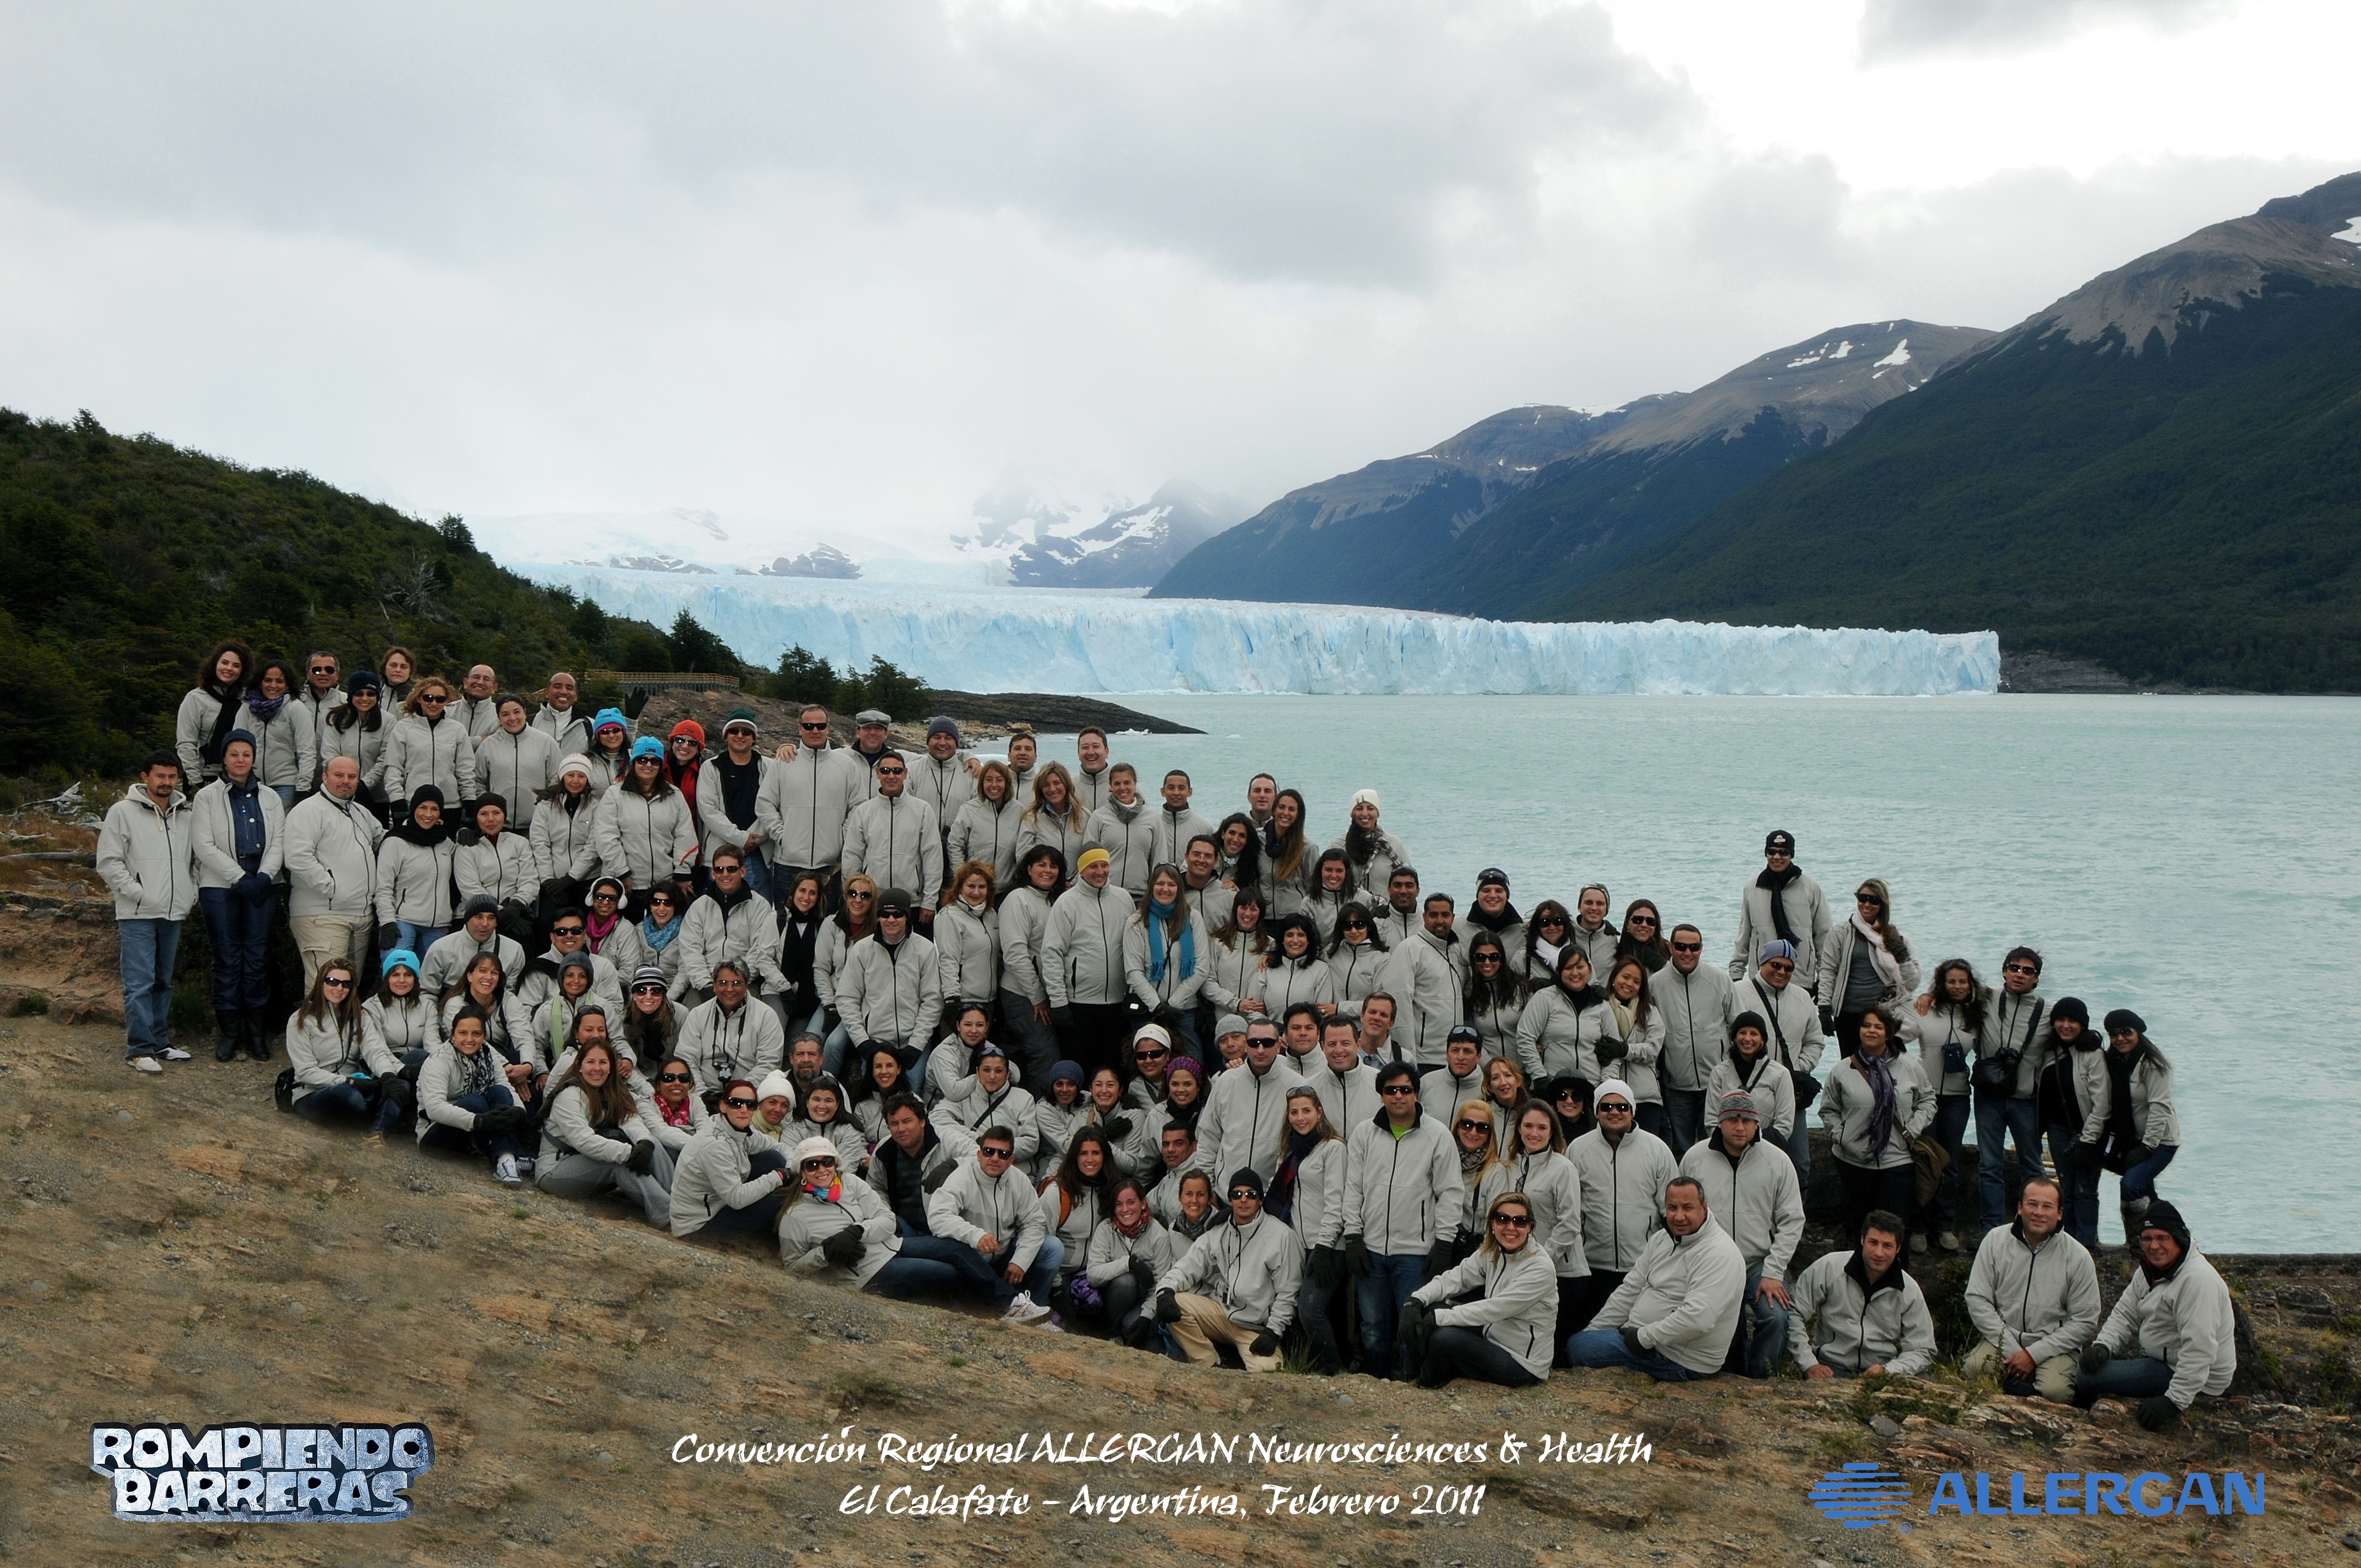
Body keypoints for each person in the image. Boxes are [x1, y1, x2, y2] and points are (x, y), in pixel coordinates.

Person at [1340, 1059, 1461, 1378]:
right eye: (1391, 1090)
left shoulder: (1438, 1136)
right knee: (1373, 1326)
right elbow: (1353, 1188)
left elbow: (1450, 1192)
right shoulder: (1364, 1134)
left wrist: (1445, 1243)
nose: (1398, 1096)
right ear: (1381, 1095)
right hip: (1371, 1249)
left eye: (1405, 1090)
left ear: (1417, 1093)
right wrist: (1353, 1237)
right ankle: (1376, 1380)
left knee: (1412, 1325)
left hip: (1416, 1253)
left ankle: (1412, 1383)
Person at [2072, 1200, 2236, 1431]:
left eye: (2162, 1238)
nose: (2154, 1246)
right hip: (2165, 1361)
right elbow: (2126, 1313)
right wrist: (2103, 1346)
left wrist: (2173, 1401)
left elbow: (2200, 1349)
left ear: (2179, 1238)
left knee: (2086, 1378)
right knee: (2090, 1365)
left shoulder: (2197, 1280)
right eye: (2147, 1239)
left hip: (2197, 1376)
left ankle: (2083, 1420)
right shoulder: (2152, 1268)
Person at [1564, 1175, 1745, 1382]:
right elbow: (1630, 1289)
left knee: (1577, 1348)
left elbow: (1699, 1319)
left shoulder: (1718, 1253)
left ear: (1704, 1208)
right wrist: (1595, 1332)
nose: (1679, 1216)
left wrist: (1643, 1338)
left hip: (1681, 1357)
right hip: (1649, 1341)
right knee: (1582, 1342)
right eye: (1672, 1208)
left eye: (1687, 1208)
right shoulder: (1662, 1239)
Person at [1678, 1091, 1805, 1378]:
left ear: (1757, 1123)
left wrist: (1774, 1271)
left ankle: (1762, 1379)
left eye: (1747, 1120)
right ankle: (1731, 1377)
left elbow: (1792, 1219)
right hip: (1713, 1263)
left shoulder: (1778, 1161)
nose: (1740, 1127)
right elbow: (1681, 1213)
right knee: (1726, 1324)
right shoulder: (1695, 1159)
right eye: (1733, 1119)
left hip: (1760, 1263)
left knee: (1775, 1316)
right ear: (1720, 1122)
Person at [780, 1139, 991, 1303]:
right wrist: (826, 1254)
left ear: (835, 1164)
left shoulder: (851, 1183)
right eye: (812, 1165)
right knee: (948, 1274)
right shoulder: (795, 1217)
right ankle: (977, 1310)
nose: (822, 1169)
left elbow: (888, 1220)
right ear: (802, 1173)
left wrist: (857, 1232)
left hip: (891, 1245)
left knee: (954, 1248)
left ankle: (1006, 1300)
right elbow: (792, 1268)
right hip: (867, 1275)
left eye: (827, 1162)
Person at [189, 731, 286, 1062]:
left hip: (262, 884)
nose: (241, 760)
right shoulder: (207, 797)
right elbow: (203, 845)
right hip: (220, 886)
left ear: (254, 758)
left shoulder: (271, 797)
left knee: (256, 958)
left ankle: (256, 1035)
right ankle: (230, 1034)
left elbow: (279, 841)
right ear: (224, 758)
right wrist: (238, 877)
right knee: (227, 959)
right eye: (234, 754)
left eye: (246, 754)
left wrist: (263, 876)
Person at [1962, 1176, 2101, 1403]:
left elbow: (2085, 1321)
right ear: (2020, 1208)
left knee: (2054, 1394)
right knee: (1973, 1371)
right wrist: (2012, 1349)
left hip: (2055, 1346)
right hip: (2003, 1338)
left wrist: (2033, 1356)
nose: (2039, 1212)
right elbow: (1978, 1299)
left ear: (2059, 1213)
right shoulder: (1995, 1241)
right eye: (2032, 1204)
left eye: (2048, 1206)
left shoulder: (2078, 1257)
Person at [1397, 1192, 1558, 1389]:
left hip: (1522, 1363)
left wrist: (1439, 1319)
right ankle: (1410, 1378)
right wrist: (1415, 1301)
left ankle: (1424, 1386)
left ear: (1531, 1227)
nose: (1511, 1227)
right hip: (1493, 1337)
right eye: (1503, 1219)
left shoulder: (1540, 1268)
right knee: (1425, 1311)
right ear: (1492, 1223)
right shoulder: (1493, 1252)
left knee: (1444, 1338)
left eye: (1520, 1221)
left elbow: (1495, 1309)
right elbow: (1457, 1278)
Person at [1149, 1167, 1302, 1372]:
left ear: (1261, 1200)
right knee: (1175, 1302)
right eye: (1237, 1195)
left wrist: (1273, 1332)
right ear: (1230, 1199)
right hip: (1221, 1314)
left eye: (1251, 1194)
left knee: (1270, 1375)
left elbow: (1288, 1292)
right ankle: (1209, 1364)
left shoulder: (1282, 1236)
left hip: (1256, 1327)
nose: (1244, 1200)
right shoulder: (1220, 1231)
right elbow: (1189, 1266)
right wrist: (1165, 1291)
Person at [1477, 1101, 1588, 1365]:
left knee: (1559, 1353)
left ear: (1552, 1132)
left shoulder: (1563, 1169)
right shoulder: (1511, 1167)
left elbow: (1570, 1222)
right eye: (1528, 1126)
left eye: (1542, 1127)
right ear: (1519, 1129)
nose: (1534, 1133)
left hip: (1563, 1273)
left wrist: (1542, 1260)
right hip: (1521, 1273)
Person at [1564, 1079, 1680, 1332]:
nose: (1614, 1112)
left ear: (1633, 1110)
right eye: (1606, 1107)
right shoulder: (1578, 1150)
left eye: (1622, 1106)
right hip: (1592, 1267)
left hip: (1641, 1267)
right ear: (1596, 1111)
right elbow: (1568, 1207)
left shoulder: (1657, 1150)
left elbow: (1671, 1210)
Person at [1819, 1004, 1932, 1241]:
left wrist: (1912, 1130)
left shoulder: (1910, 1067)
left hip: (1897, 1160)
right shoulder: (1842, 1069)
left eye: (1879, 1027)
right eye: (1867, 1025)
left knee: (1897, 1226)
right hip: (1853, 1160)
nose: (1872, 1031)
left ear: (1889, 1033)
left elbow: (1927, 1101)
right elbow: (1829, 1110)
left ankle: (1896, 1276)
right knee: (1861, 1224)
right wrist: (1842, 1137)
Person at [927, 1126, 1062, 1324]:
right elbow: (938, 1216)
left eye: (1003, 1154)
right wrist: (975, 1236)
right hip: (970, 1259)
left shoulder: (1020, 1182)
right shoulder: (962, 1176)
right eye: (989, 1152)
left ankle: (1031, 1314)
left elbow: (1034, 1223)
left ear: (1011, 1160)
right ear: (979, 1154)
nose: (995, 1158)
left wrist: (1020, 1262)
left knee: (1053, 1248)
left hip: (1004, 1256)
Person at [536, 1037, 675, 1226]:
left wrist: (645, 1143)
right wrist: (628, 1154)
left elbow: (630, 1119)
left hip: (587, 1164)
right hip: (556, 1169)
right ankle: (667, 1215)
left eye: (603, 1062)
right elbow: (584, 1141)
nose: (597, 1069)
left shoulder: (611, 1091)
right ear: (579, 1065)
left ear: (611, 1067)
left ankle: (679, 1200)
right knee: (618, 1164)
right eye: (591, 1062)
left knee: (653, 1144)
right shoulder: (569, 1095)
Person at [1785, 1210, 1939, 1381]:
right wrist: (1808, 1364)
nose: (1879, 1253)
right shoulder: (1829, 1268)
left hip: (1883, 1370)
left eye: (1887, 1246)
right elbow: (1793, 1313)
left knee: (1926, 1384)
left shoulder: (1908, 1289)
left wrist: (1891, 1370)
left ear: (1898, 1249)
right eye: (1873, 1243)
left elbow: (1923, 1348)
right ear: (1863, 1239)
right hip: (1831, 1367)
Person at [2074, 1008, 2182, 1246]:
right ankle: (2173, 1236)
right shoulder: (2113, 1062)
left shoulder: (2152, 1065)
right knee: (2146, 1193)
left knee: (2132, 1185)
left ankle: (2139, 1246)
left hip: (2160, 1142)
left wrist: (2147, 1147)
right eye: (2114, 1034)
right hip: (2129, 1140)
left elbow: (2160, 1109)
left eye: (2126, 1032)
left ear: (2139, 1033)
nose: (2120, 1038)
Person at [282, 754, 385, 993]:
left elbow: (385, 840)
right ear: (325, 777)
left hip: (359, 915)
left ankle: (344, 1032)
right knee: (326, 989)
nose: (346, 781)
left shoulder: (360, 813)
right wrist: (333, 889)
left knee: (347, 991)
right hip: (323, 915)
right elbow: (297, 857)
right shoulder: (308, 810)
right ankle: (316, 1031)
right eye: (339, 775)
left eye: (352, 777)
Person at [1265, 1086, 1348, 1371]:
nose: (1301, 1118)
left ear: (1319, 1112)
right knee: (1312, 1310)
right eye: (1294, 1112)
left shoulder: (1333, 1149)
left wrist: (1324, 1247)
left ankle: (1334, 1370)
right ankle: (1309, 1365)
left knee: (1310, 1310)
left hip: (1328, 1247)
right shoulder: (1290, 1153)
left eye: (1306, 1111)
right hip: (1298, 1244)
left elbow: (1336, 1202)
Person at [1734, 940, 1824, 1191]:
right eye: (1776, 965)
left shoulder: (1802, 998)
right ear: (1762, 963)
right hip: (1749, 1090)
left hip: (1789, 1092)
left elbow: (1815, 1041)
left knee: (1799, 1164)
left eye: (1788, 968)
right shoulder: (1739, 992)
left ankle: (1795, 1224)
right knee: (1748, 1161)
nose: (1782, 972)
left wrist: (1796, 1069)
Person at [1042, 845, 1137, 1076]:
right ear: (1082, 870)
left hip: (1117, 1003)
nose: (1100, 871)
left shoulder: (1123, 898)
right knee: (1082, 1068)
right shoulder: (1067, 903)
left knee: (1115, 1068)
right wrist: (1058, 1001)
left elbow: (1135, 946)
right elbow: (1052, 952)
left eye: (1104, 865)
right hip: (1079, 1005)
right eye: (1093, 866)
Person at [285, 959, 407, 1135]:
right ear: (321, 983)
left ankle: (379, 1132)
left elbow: (375, 1050)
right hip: (314, 1092)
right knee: (348, 1096)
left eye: (346, 984)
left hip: (356, 1083)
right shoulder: (301, 1019)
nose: (339, 988)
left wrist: (388, 1077)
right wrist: (347, 1081)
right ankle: (381, 1114)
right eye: (333, 982)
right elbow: (305, 1072)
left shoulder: (360, 1015)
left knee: (399, 1084)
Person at [752, 704, 863, 897]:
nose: (815, 731)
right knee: (785, 921)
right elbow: (764, 803)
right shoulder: (784, 762)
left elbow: (858, 806)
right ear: (800, 728)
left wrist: (842, 838)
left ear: (828, 728)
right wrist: (782, 835)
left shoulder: (846, 766)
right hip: (788, 864)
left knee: (826, 924)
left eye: (820, 726)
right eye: (809, 726)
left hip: (830, 865)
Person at [1911, 957, 1983, 1251]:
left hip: (1957, 1097)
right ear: (1941, 983)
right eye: (1951, 982)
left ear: (1970, 985)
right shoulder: (1926, 1010)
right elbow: (1900, 1039)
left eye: (1962, 982)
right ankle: (1918, 1227)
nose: (1956, 987)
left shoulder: (1977, 1016)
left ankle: (1944, 1226)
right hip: (1925, 1096)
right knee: (1926, 1160)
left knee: (1950, 1164)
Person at [415, 1007, 531, 1186]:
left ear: (484, 1036)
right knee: (476, 1102)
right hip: (438, 1133)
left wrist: (518, 1111)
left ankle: (506, 1160)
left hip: (479, 1124)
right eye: (463, 1033)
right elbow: (434, 1109)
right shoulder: (439, 1061)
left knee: (499, 1092)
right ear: (453, 1034)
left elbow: (505, 1086)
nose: (470, 1039)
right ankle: (506, 1154)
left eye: (476, 1033)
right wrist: (478, 1121)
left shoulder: (489, 1054)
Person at [670, 1076, 793, 1241]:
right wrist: (780, 1176)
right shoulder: (714, 1144)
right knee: (779, 1200)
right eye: (736, 1103)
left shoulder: (740, 1130)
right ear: (723, 1106)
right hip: (697, 1224)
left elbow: (780, 1148)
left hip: (720, 1202)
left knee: (773, 1158)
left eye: (750, 1105)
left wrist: (791, 1167)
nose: (744, 1110)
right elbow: (737, 1199)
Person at [838, 888, 942, 1068]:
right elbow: (847, 998)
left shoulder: (925, 950)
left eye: (898, 914)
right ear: (878, 916)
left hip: (913, 1041)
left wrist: (916, 1045)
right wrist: (862, 1041)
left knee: (914, 1090)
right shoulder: (862, 950)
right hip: (875, 1041)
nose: (891, 920)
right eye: (885, 914)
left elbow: (932, 1001)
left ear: (907, 916)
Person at [597, 739, 700, 919]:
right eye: (642, 759)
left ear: (661, 765)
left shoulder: (674, 795)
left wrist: (682, 872)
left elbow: (685, 834)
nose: (648, 765)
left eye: (655, 761)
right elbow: (606, 837)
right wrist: (621, 872)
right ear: (633, 762)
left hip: (665, 885)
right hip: (628, 884)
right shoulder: (615, 795)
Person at [1195, 1015, 1301, 1190]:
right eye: (1254, 1043)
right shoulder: (1226, 1081)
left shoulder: (1296, 1086)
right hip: (1225, 1193)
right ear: (1246, 1045)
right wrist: (1207, 1187)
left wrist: (1278, 1193)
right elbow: (1209, 1138)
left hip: (1271, 1196)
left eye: (1268, 1043)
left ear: (1279, 1044)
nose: (1260, 1050)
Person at [1651, 923, 1729, 1158]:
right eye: (1681, 946)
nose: (1687, 953)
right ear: (1671, 947)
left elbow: (1739, 1023)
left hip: (1715, 1083)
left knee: (1715, 1147)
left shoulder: (1719, 979)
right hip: (1676, 1086)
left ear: (1701, 948)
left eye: (1693, 947)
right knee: (1681, 1149)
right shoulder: (1656, 983)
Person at [1820, 879, 1920, 1059]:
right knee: (1852, 1067)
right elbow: (1828, 971)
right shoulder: (1840, 933)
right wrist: (1825, 1007)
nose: (1867, 904)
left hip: (1880, 1014)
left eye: (1874, 900)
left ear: (1882, 904)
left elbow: (1912, 982)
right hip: (1847, 1014)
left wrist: (1901, 955)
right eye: (1862, 898)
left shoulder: (1896, 937)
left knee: (1881, 1067)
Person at [841, 752, 944, 923]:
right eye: (886, 770)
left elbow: (932, 858)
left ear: (905, 774)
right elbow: (852, 856)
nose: (891, 776)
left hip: (913, 903)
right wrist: (854, 897)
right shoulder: (864, 811)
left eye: (897, 771)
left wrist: (930, 901)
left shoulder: (923, 810)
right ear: (878, 773)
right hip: (873, 902)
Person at [678, 848, 788, 1004]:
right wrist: (706, 985)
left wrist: (735, 982)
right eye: (719, 869)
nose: (725, 874)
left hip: (745, 982)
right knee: (691, 1022)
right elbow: (690, 951)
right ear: (713, 873)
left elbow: (759, 951)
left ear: (743, 871)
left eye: (731, 869)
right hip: (706, 982)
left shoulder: (760, 906)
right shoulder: (699, 907)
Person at [2036, 997, 2104, 1247]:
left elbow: (2102, 1104)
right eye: (2061, 1020)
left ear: (2083, 1025)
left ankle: (2087, 1245)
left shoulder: (2092, 1053)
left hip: (2088, 1129)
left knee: (2085, 1190)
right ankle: (2069, 1243)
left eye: (2072, 1021)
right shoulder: (2049, 1050)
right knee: (2066, 1186)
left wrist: (2090, 1139)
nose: (2066, 1026)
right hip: (2057, 1127)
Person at [1087, 1179, 1187, 1349]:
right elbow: (1093, 1275)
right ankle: (1110, 1330)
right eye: (1119, 1204)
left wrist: (1147, 1316)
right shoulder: (1106, 1229)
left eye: (1131, 1202)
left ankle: (1124, 1333)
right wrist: (1128, 1263)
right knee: (1126, 1281)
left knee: (1141, 1333)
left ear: (1143, 1203)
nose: (1125, 1210)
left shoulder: (1159, 1236)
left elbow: (1162, 1283)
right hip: (1114, 1297)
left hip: (1145, 1300)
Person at [1729, 830, 1832, 993]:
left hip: (1799, 978)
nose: (1777, 857)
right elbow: (1745, 935)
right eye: (1772, 852)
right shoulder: (1752, 888)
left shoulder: (1810, 887)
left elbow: (1823, 937)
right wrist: (1736, 976)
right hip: (1761, 979)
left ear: (1792, 855)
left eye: (1784, 852)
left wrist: (1823, 981)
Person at [866, 1092, 977, 1238]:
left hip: (949, 1226)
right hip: (905, 1227)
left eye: (907, 1121)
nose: (901, 1129)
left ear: (922, 1121)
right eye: (894, 1124)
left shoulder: (949, 1140)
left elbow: (981, 1158)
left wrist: (954, 1164)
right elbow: (876, 1187)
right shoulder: (884, 1151)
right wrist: (886, 1215)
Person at [1123, 864, 1209, 1052]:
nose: (1165, 889)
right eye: (1160, 883)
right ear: (1152, 887)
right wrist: (1157, 1007)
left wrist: (1174, 1005)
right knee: (1150, 1065)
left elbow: (1202, 968)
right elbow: (1133, 971)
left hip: (1185, 1010)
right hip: (1147, 1010)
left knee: (1192, 1064)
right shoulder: (1137, 922)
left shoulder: (1194, 918)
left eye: (1171, 884)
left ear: (1179, 888)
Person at [677, 961, 787, 1103]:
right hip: (700, 1097)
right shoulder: (697, 1015)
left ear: (747, 986)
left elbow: (769, 1064)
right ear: (714, 986)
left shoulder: (766, 1016)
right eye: (723, 983)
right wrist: (701, 1095)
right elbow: (686, 1060)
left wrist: (738, 1096)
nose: (729, 989)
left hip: (748, 1098)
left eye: (737, 983)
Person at [1038, 1126, 1118, 1314]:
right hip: (1059, 1276)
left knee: (1122, 1287)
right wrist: (1057, 1287)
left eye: (1096, 1153)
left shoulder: (1112, 1191)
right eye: (1083, 1153)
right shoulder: (1057, 1192)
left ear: (1105, 1157)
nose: (1090, 1160)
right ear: (1075, 1157)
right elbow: (1041, 1240)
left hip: (1094, 1275)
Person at [375, 785, 458, 961]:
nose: (428, 814)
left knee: (432, 980)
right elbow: (383, 887)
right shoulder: (396, 841)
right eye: (423, 808)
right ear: (414, 809)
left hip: (438, 925)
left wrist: (468, 835)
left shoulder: (445, 842)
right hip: (403, 922)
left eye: (434, 809)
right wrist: (388, 922)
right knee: (398, 975)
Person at [933, 1044, 1041, 1169]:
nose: (992, 1076)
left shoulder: (1023, 1098)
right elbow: (937, 1118)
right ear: (978, 1072)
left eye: (999, 1071)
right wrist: (977, 1139)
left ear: (1007, 1074)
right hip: (974, 1169)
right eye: (987, 1070)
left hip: (1015, 1170)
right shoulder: (965, 1094)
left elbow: (1031, 1142)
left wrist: (995, 1150)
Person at [382, 676, 480, 813]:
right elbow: (393, 767)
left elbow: (465, 769)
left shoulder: (457, 730)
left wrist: (469, 799)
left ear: (446, 702)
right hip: (414, 804)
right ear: (419, 698)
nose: (434, 703)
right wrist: (397, 800)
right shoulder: (403, 728)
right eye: (428, 698)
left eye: (440, 699)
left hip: (449, 805)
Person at [1516, 946, 1611, 1084]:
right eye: (1568, 968)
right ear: (1559, 971)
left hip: (1592, 1086)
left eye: (1580, 967)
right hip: (1553, 1084)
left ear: (1590, 970)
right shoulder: (1544, 998)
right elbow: (1525, 1038)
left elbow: (1613, 1049)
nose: (1575, 973)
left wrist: (1607, 1084)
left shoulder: (1601, 1005)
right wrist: (1540, 1077)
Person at [1599, 956, 1668, 1138]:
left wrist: (1625, 1050)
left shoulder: (1649, 1012)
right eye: (1626, 977)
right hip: (1611, 1098)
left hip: (1645, 1097)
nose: (1629, 984)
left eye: (1637, 981)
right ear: (1614, 978)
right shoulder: (1600, 1008)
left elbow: (1653, 1049)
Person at [240, 658, 317, 809]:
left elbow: (307, 751)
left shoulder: (296, 709)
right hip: (252, 784)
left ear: (287, 684)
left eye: (279, 681)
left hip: (286, 785)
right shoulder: (247, 709)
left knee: (283, 831)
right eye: (268, 680)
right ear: (260, 682)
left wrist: (303, 788)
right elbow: (237, 745)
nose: (273, 685)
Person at [175, 639, 253, 787]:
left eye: (236, 666)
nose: (229, 668)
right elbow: (186, 743)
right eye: (225, 663)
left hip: (240, 779)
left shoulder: (247, 701)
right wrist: (196, 782)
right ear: (215, 664)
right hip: (204, 776)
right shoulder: (196, 699)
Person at [362, 950, 439, 1097]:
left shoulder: (427, 1006)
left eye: (408, 975)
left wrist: (441, 1064)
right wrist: (401, 1070)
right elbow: (376, 1049)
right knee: (417, 1061)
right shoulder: (371, 1007)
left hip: (420, 1066)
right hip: (385, 1065)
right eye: (396, 975)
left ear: (415, 979)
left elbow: (433, 1042)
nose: (402, 980)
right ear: (387, 978)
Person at [455, 792, 537, 919]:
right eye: (484, 814)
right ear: (476, 817)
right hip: (476, 913)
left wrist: (515, 907)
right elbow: (470, 888)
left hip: (516, 912)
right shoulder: (467, 846)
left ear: (504, 816)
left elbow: (529, 881)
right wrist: (498, 912)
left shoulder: (520, 843)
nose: (491, 819)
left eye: (496, 813)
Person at [319, 672, 389, 817]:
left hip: (376, 797)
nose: (365, 698)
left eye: (371, 694)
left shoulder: (388, 721)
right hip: (340, 793)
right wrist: (344, 781)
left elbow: (386, 758)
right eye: (359, 693)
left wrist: (363, 784)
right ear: (351, 695)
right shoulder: (336, 719)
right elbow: (330, 756)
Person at [1084, 764, 1158, 896]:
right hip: (1106, 893)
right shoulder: (1099, 817)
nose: (1122, 788)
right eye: (1117, 784)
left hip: (1141, 896)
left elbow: (1159, 859)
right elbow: (1088, 858)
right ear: (1111, 787)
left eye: (1127, 783)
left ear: (1135, 784)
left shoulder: (1153, 818)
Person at [948, 761, 1023, 891]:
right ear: (982, 783)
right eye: (989, 780)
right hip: (975, 890)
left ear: (1007, 783)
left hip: (1006, 890)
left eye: (999, 780)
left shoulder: (1019, 811)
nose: (994, 785)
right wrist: (962, 877)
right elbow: (955, 845)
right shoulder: (969, 810)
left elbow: (1024, 850)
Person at [1328, 789, 1407, 902]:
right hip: (1348, 912)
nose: (1365, 814)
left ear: (1377, 813)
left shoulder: (1393, 844)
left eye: (1370, 808)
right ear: (1352, 813)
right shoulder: (1338, 845)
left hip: (1385, 914)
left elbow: (1408, 879)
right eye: (1359, 808)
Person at [1303, 1014, 1380, 1132]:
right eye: (1332, 1044)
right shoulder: (1311, 1089)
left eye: (1346, 1043)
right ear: (1323, 1046)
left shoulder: (1379, 1083)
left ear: (1358, 1045)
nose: (1339, 1050)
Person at [789, 1071, 870, 1176]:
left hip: (840, 1189)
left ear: (837, 1105)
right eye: (816, 1100)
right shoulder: (793, 1131)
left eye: (829, 1101)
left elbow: (845, 1171)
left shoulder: (850, 1131)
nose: (822, 1106)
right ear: (807, 1102)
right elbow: (793, 1168)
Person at [1461, 929, 1526, 1060]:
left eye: (1494, 957)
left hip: (1522, 1069)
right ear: (1473, 960)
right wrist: (1492, 1068)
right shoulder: (1469, 994)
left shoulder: (1521, 988)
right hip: (1488, 1071)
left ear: (1502, 959)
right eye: (1480, 957)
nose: (1487, 963)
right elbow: (1472, 1039)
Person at [295, 650, 346, 788]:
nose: (323, 674)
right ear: (308, 673)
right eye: (317, 670)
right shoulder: (295, 701)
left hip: (334, 780)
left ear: (338, 674)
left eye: (329, 670)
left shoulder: (347, 703)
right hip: (296, 777)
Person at [1261, 788, 1314, 916]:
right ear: (1274, 810)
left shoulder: (1307, 847)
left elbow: (1313, 886)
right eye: (1282, 807)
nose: (1285, 813)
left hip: (1293, 916)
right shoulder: (1259, 839)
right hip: (1263, 916)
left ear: (1298, 815)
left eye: (1292, 809)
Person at [1419, 1025, 1486, 1124]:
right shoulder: (1427, 1082)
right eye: (1455, 1051)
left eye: (1468, 1052)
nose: (1461, 1057)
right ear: (1447, 1054)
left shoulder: (1487, 1088)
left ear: (1479, 1057)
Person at [644, 1053, 708, 1153]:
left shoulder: (695, 1101)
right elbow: (661, 1133)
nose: (677, 1083)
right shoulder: (646, 1104)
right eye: (669, 1078)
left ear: (690, 1084)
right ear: (658, 1084)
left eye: (684, 1078)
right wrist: (701, 1146)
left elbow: (706, 1131)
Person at [532, 671, 593, 758]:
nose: (564, 692)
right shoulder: (530, 723)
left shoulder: (590, 726)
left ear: (576, 696)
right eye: (558, 687)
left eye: (569, 688)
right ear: (547, 693)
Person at [454, 665, 503, 743]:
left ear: (494, 688)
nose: (480, 682)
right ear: (465, 683)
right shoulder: (447, 711)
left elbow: (499, 744)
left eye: (486, 679)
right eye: (476, 677)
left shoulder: (500, 716)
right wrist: (480, 740)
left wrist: (457, 742)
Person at [1072, 728, 1116, 814]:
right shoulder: (1070, 788)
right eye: (1085, 747)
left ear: (1107, 752)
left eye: (1096, 747)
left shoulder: (1123, 787)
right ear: (1078, 753)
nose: (1091, 752)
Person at [375, 645, 417, 710]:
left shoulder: (418, 698)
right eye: (393, 665)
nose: (398, 670)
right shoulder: (374, 695)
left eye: (404, 667)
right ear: (384, 668)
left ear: (410, 671)